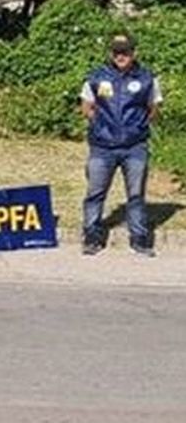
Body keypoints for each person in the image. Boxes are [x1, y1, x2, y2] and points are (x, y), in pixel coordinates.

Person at [79, 33, 162, 257]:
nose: (120, 56)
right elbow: (87, 106)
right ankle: (92, 237)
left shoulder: (147, 78)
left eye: (125, 51)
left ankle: (139, 239)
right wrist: (99, 125)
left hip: (135, 147)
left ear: (134, 53)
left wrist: (139, 126)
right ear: (111, 53)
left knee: (135, 195)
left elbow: (154, 106)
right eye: (116, 51)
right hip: (102, 146)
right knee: (95, 193)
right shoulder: (96, 77)